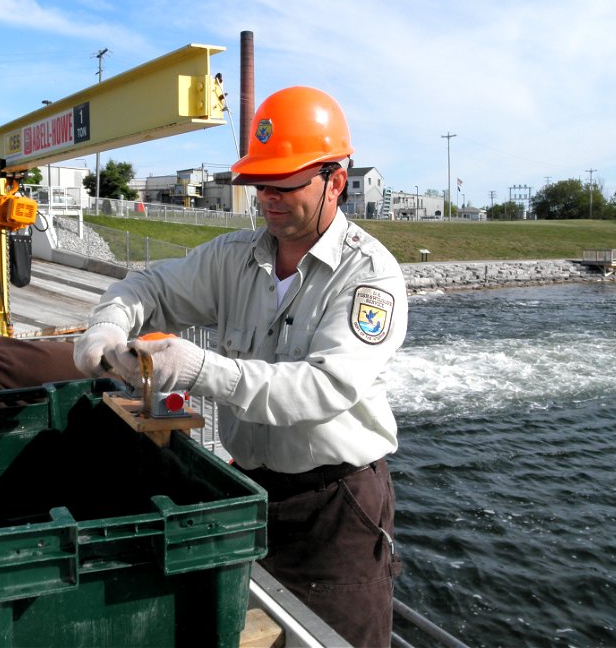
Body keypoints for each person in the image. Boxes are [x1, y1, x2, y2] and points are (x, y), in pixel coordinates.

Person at [73, 86, 407, 647]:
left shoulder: (371, 277)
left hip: (336, 507)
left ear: (336, 181)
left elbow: (323, 388)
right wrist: (108, 322)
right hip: (250, 489)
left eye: (287, 185)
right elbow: (151, 286)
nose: (269, 200)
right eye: (260, 186)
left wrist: (200, 370)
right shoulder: (233, 257)